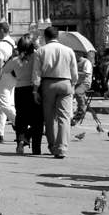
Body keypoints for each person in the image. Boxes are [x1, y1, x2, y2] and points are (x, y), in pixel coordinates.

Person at [32, 26, 78, 159]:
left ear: (45, 37)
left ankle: (52, 146)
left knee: (49, 117)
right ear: (57, 36)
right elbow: (74, 72)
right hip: (66, 83)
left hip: (48, 84)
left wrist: (35, 90)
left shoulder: (41, 51)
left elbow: (36, 73)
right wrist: (73, 85)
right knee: (64, 117)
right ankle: (62, 148)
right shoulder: (68, 50)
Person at [5, 34, 42, 154]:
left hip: (20, 90)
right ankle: (36, 149)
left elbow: (5, 70)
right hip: (34, 89)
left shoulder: (15, 60)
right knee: (37, 119)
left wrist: (13, 56)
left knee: (21, 118)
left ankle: (20, 142)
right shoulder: (36, 56)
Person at [0, 22, 16, 143]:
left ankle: (23, 126)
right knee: (2, 106)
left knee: (4, 105)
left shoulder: (0, 45)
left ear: (2, 30)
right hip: (13, 77)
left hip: (3, 77)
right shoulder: (13, 42)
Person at [73, 50, 93, 126]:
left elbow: (86, 74)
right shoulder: (75, 62)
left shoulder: (86, 62)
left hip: (85, 83)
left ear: (80, 54)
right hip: (76, 82)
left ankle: (82, 109)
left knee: (77, 92)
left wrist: (75, 72)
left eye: (75, 53)